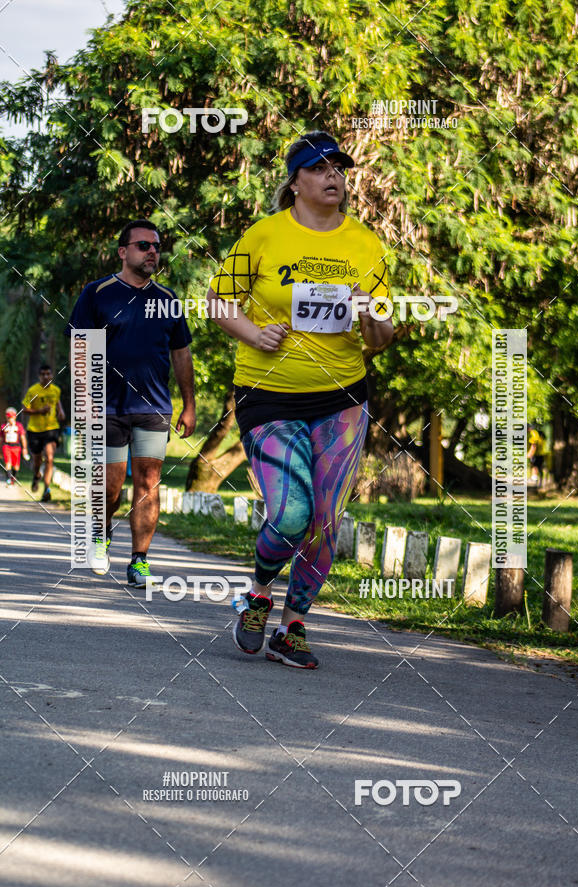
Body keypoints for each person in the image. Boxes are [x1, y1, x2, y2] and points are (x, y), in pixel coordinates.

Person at [208, 131, 393, 669]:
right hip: (269, 396)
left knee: (325, 517)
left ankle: (294, 627)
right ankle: (259, 593)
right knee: (291, 513)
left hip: (341, 397)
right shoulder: (264, 236)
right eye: (319, 168)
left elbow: (381, 340)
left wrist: (371, 314)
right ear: (294, 183)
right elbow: (218, 302)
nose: (333, 176)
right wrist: (252, 333)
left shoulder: (365, 245)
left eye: (339, 167)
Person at [65, 218, 196, 586]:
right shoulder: (97, 293)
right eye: (143, 245)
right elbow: (80, 349)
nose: (153, 251)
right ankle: (101, 532)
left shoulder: (168, 299)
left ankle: (139, 561)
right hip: (105, 407)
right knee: (110, 486)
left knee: (149, 482)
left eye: (156, 245)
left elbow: (181, 353)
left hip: (154, 407)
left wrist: (189, 404)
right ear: (123, 252)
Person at [22, 364, 65, 501]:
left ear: (52, 375)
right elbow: (24, 409)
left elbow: (57, 403)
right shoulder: (33, 390)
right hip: (34, 430)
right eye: (43, 374)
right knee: (37, 461)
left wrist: (61, 412)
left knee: (50, 458)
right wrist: (39, 411)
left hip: (51, 428)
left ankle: (46, 489)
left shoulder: (56, 390)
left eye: (48, 374)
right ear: (39, 376)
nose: (46, 377)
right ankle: (36, 475)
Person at [1, 408, 29, 485]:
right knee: (8, 463)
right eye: (8, 417)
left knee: (16, 466)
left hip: (16, 447)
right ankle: (9, 478)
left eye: (11, 416)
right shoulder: (3, 426)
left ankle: (13, 477)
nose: (10, 418)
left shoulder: (19, 426)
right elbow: (1, 438)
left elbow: (23, 438)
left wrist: (24, 448)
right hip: (6, 446)